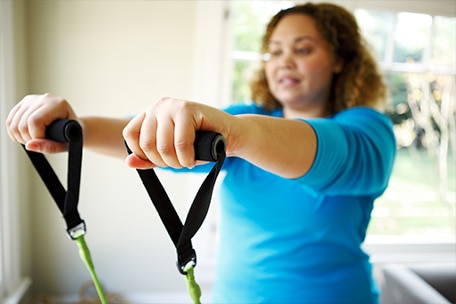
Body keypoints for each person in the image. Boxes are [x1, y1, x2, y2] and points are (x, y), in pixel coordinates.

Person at [6, 3, 396, 303]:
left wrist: (239, 134)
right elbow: (150, 138)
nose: (284, 61)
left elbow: (332, 152)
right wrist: (76, 129)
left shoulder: (368, 129)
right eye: (274, 51)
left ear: (340, 60)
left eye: (303, 48)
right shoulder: (249, 119)